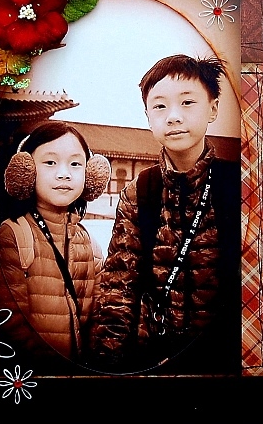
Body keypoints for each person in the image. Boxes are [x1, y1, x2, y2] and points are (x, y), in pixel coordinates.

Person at [90, 54, 241, 374]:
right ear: (148, 117)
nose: (173, 116)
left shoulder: (241, 185)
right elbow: (119, 287)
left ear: (213, 108)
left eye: (187, 103)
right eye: (159, 106)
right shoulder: (140, 192)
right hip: (155, 357)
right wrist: (109, 364)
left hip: (227, 359)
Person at [0, 122, 109, 368]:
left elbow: (100, 314)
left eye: (75, 164)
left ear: (90, 175)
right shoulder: (13, 235)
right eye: (50, 162)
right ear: (25, 170)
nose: (64, 174)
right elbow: (11, 324)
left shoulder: (89, 242)